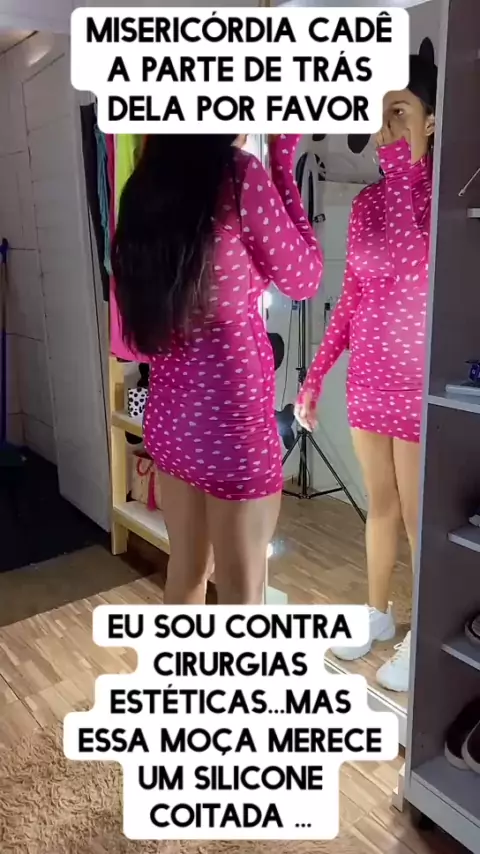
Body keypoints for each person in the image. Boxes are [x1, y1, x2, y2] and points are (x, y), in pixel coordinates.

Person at [112, 134, 323, 606]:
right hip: (231, 426)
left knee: (186, 572)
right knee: (242, 597)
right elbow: (305, 278)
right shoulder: (238, 174)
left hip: (172, 421)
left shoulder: (146, 182)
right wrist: (283, 164)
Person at [295, 54, 436, 692]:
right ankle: (378, 614)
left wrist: (403, 169)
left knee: (418, 521)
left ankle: (422, 633)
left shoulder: (440, 197)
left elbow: (413, 261)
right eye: (380, 114)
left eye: (400, 112)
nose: (385, 128)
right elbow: (351, 297)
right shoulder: (367, 203)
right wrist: (316, 375)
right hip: (369, 380)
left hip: (417, 385)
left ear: (430, 122)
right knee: (380, 506)